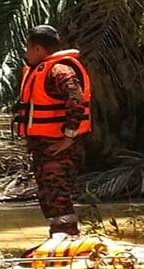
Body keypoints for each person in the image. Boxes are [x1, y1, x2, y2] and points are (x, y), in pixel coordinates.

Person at [13, 25, 91, 237]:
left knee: (58, 197)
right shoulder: (43, 70)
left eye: (27, 48)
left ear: (38, 49)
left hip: (58, 150)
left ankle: (67, 239)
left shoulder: (59, 71)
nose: (26, 52)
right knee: (51, 197)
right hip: (45, 148)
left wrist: (70, 135)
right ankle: (60, 236)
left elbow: (76, 98)